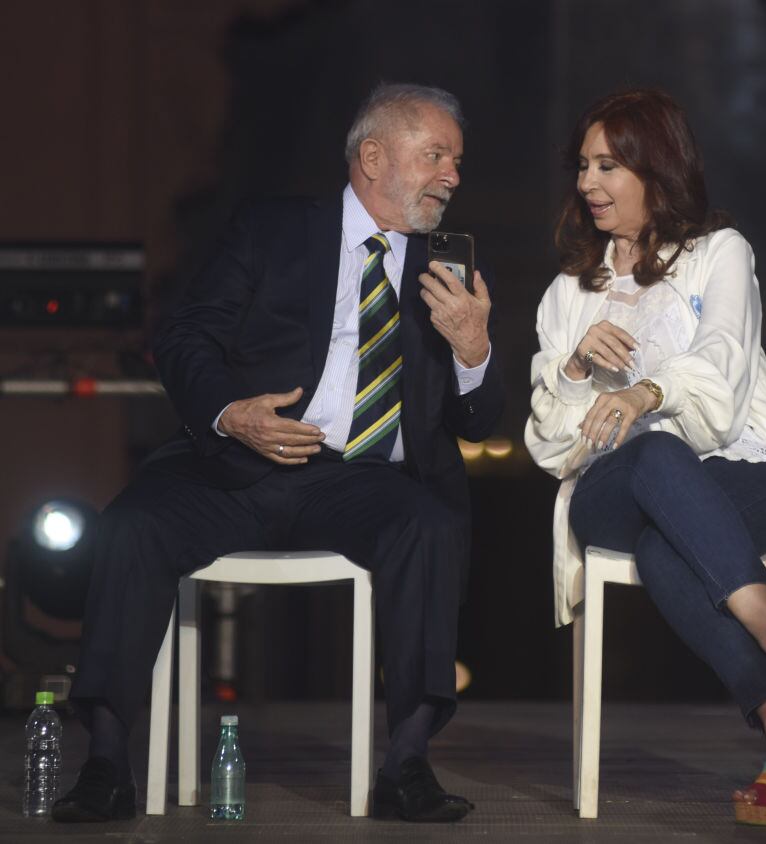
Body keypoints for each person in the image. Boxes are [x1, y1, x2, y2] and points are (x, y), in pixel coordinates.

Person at [53, 83, 502, 824]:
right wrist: (231, 414)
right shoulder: (273, 229)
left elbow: (482, 421)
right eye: (436, 156)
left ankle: (408, 764)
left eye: (456, 159)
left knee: (428, 524)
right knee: (131, 525)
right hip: (239, 464)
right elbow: (184, 335)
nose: (453, 175)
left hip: (362, 482)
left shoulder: (448, 273)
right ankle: (104, 762)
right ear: (372, 157)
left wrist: (474, 350)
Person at [525, 89, 766, 827]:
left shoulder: (719, 254)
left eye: (608, 165)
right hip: (612, 485)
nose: (587, 183)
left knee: (670, 546)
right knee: (654, 459)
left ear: (656, 170)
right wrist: (573, 372)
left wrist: (645, 393)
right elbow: (547, 447)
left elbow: (724, 370)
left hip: (738, 471)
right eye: (583, 166)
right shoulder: (570, 293)